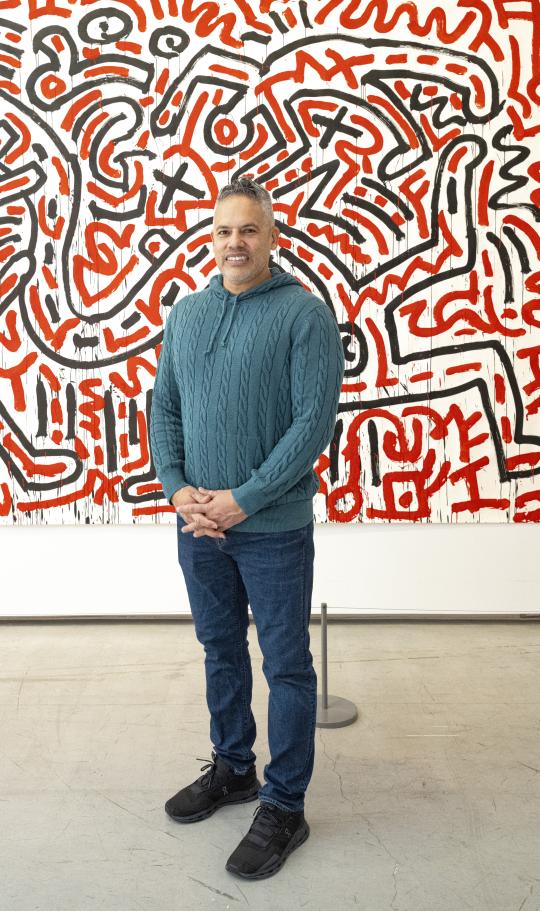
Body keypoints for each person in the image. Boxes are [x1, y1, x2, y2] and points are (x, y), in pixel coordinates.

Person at [149, 176, 345, 880]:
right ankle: (234, 765)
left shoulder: (304, 315)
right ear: (212, 237)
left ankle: (285, 803)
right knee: (219, 647)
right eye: (225, 230)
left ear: (272, 237)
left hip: (274, 527)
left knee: (287, 664)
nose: (236, 241)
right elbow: (163, 406)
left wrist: (244, 499)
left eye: (250, 230)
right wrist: (178, 490)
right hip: (197, 522)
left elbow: (310, 426)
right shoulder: (188, 314)